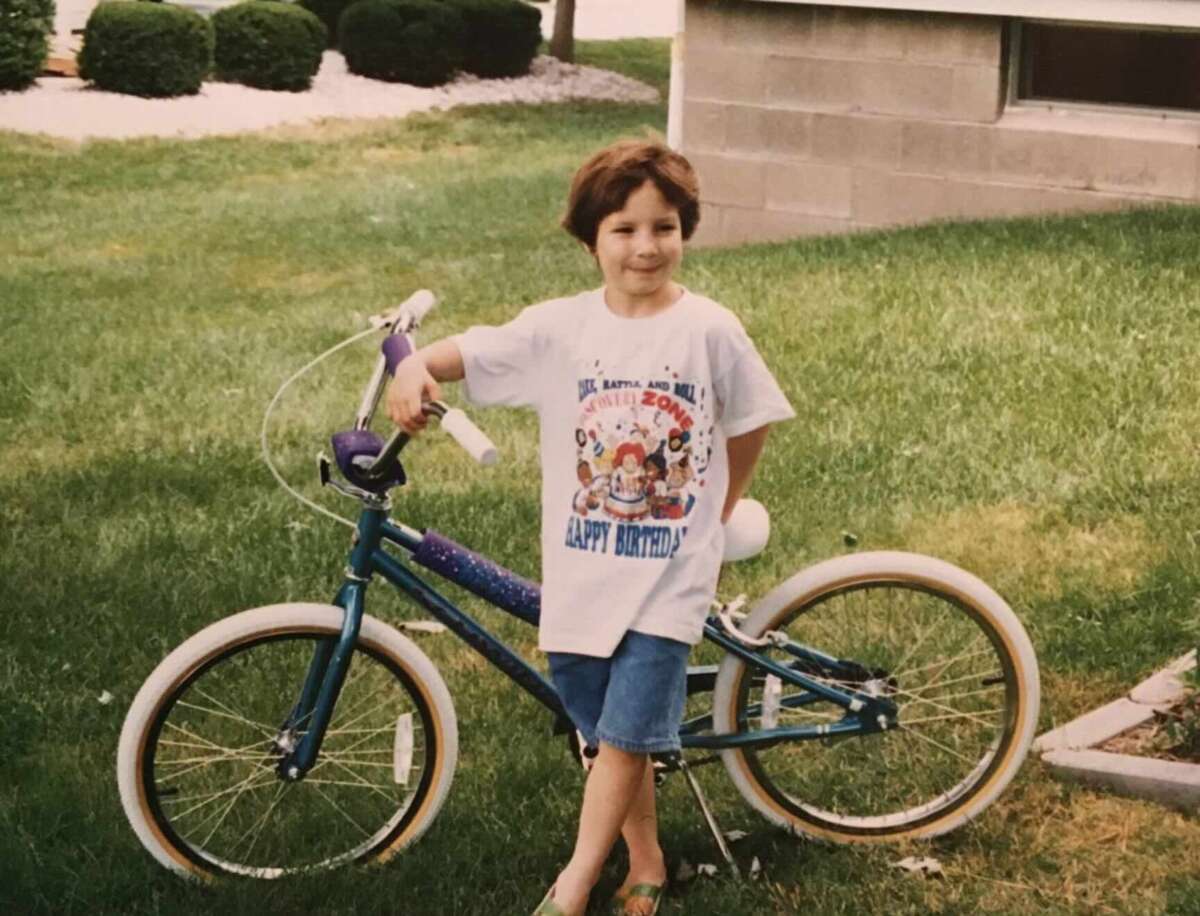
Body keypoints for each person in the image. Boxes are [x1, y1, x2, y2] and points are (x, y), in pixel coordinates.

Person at [386, 139, 794, 916]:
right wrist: (415, 367)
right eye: (625, 229)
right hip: (582, 570)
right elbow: (469, 350)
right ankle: (646, 856)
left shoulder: (709, 329)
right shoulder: (560, 330)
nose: (647, 247)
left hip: (671, 569)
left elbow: (750, 420)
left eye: (664, 227)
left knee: (631, 725)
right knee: (608, 727)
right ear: (589, 239)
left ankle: (575, 881)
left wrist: (719, 507)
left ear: (686, 230)